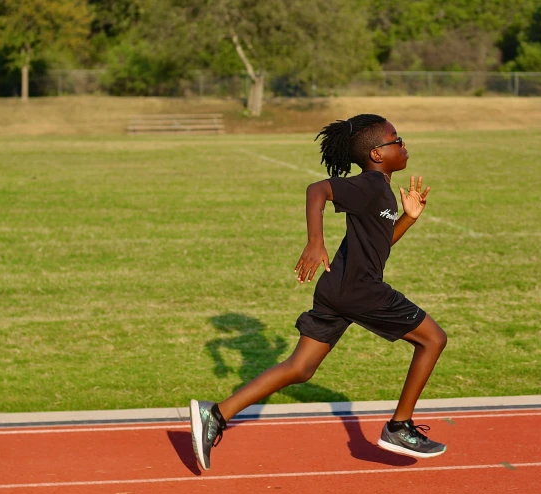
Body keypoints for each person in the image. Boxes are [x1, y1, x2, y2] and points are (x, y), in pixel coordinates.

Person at [190, 114, 448, 471]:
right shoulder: (370, 185)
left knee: (301, 367)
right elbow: (318, 189)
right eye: (397, 139)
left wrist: (407, 218)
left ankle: (215, 413)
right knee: (433, 340)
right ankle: (399, 427)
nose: (404, 144)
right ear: (376, 153)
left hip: (338, 288)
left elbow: (379, 245)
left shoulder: (380, 190)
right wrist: (315, 241)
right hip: (360, 290)